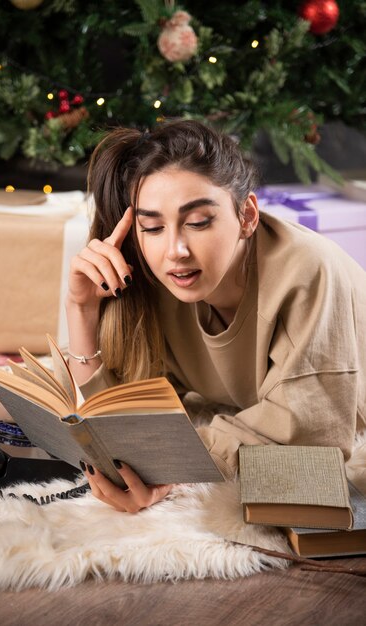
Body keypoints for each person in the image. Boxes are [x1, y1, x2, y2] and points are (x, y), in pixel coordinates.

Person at [66, 119, 366, 513]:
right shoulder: (158, 278)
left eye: (198, 222)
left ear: (247, 217)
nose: (175, 250)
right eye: (152, 226)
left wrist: (171, 465)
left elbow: (309, 439)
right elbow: (113, 417)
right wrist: (81, 309)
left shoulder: (309, 272)